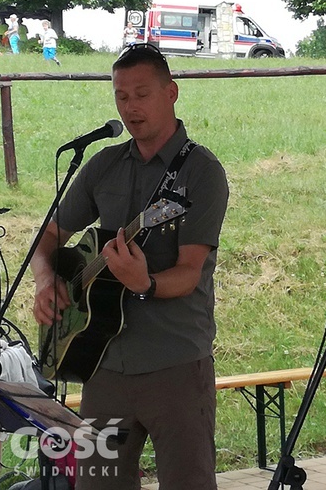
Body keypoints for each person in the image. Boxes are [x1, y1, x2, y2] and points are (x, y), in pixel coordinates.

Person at [30, 43, 229, 489]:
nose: (131, 106)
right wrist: (47, 280)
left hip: (175, 365)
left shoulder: (201, 172)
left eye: (141, 94)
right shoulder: (103, 165)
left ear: (171, 92)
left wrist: (145, 283)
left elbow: (189, 271)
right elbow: (48, 236)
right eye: (121, 96)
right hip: (102, 364)